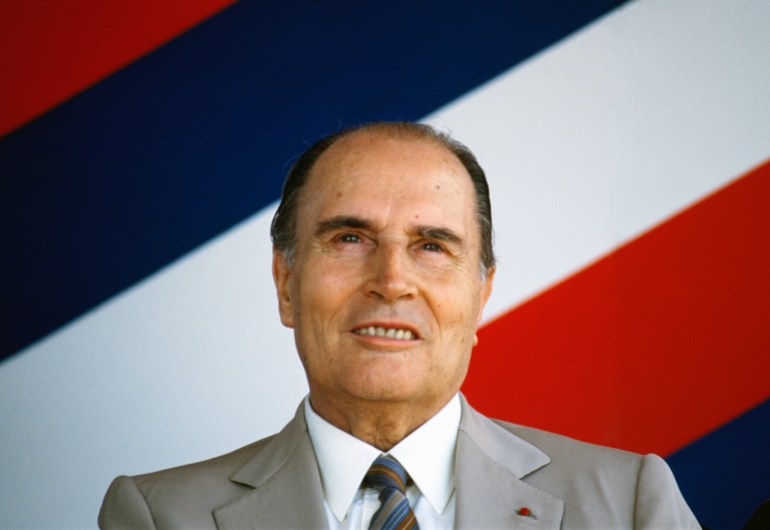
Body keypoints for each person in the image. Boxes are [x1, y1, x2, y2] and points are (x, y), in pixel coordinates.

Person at [99, 122, 701, 529]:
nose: (391, 280)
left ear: (481, 294)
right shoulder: (160, 516)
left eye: (433, 245)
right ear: (286, 284)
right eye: (350, 238)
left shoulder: (628, 504)